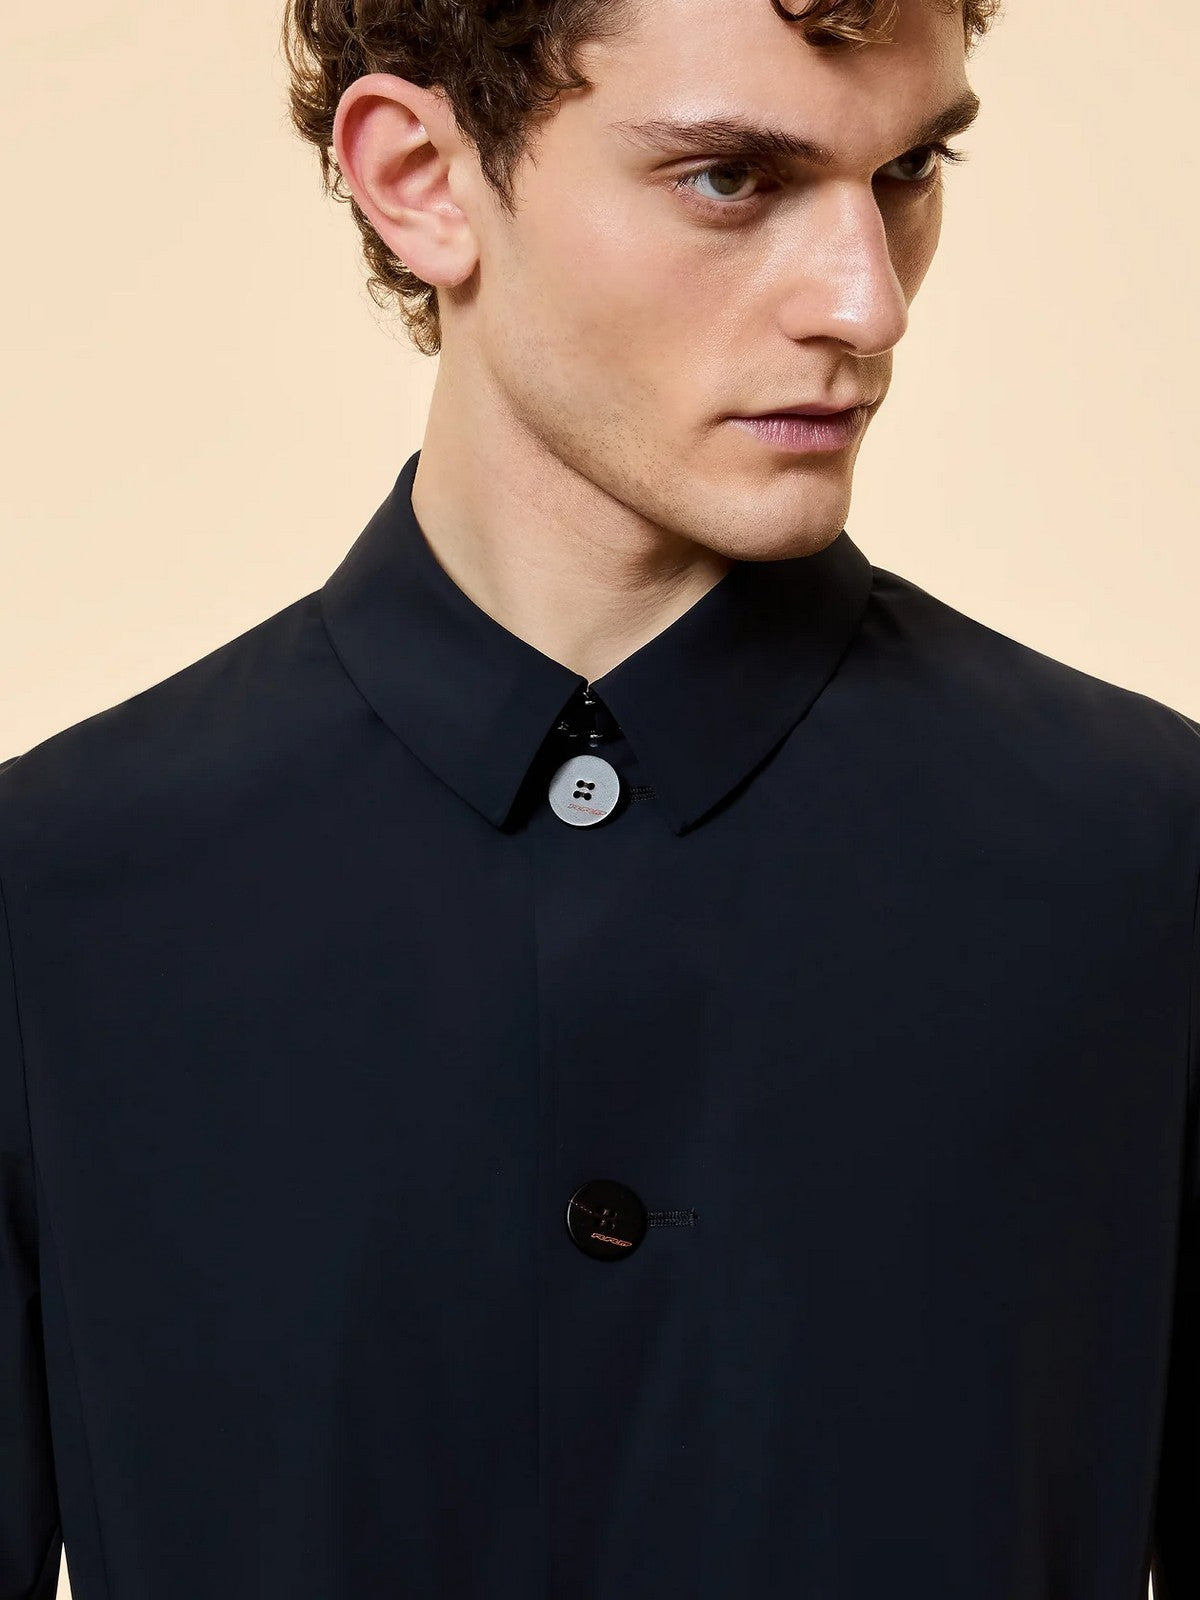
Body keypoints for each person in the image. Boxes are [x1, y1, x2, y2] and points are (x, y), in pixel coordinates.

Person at [3, 0, 1197, 1595]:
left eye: (910, 169)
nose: (870, 302)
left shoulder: (1150, 865)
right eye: (731, 178)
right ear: (421, 178)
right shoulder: (53, 899)